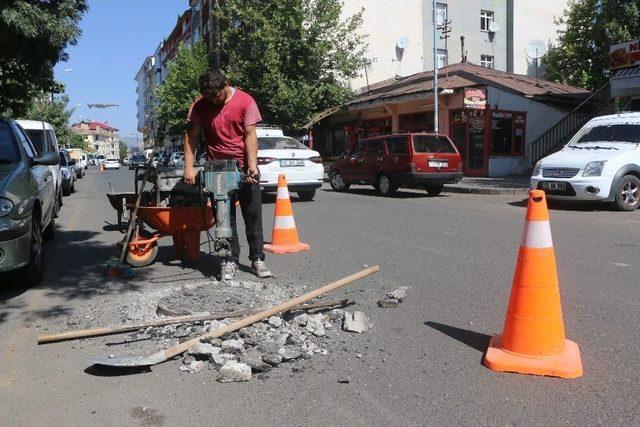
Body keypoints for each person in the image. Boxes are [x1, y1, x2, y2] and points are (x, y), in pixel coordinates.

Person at [183, 69, 271, 280]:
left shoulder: (245, 101)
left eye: (217, 95)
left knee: (252, 215)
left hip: (243, 167)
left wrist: (252, 165)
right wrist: (189, 166)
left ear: (226, 84)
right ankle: (229, 260)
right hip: (217, 168)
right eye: (209, 97)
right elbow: (191, 136)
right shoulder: (200, 105)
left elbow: (250, 134)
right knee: (224, 217)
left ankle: (257, 259)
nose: (213, 100)